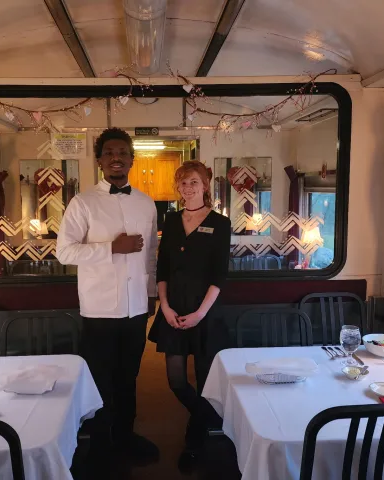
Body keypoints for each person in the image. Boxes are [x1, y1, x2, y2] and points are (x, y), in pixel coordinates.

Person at [56, 127, 159, 465]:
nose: (117, 158)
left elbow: (151, 255)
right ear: (100, 161)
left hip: (135, 308)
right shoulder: (82, 202)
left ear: (132, 159)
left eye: (123, 152)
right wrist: (110, 248)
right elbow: (64, 252)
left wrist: (150, 293)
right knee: (100, 380)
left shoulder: (145, 203)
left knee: (129, 377)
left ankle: (126, 437)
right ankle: (100, 445)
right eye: (110, 153)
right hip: (99, 308)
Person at [147, 161, 231, 471]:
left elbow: (220, 276)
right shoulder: (170, 221)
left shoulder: (220, 224)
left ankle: (194, 442)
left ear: (206, 185)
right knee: (177, 381)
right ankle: (215, 421)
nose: (187, 187)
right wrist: (164, 306)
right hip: (174, 310)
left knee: (207, 382)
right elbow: (163, 268)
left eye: (193, 182)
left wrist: (199, 314)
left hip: (205, 312)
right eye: (182, 182)